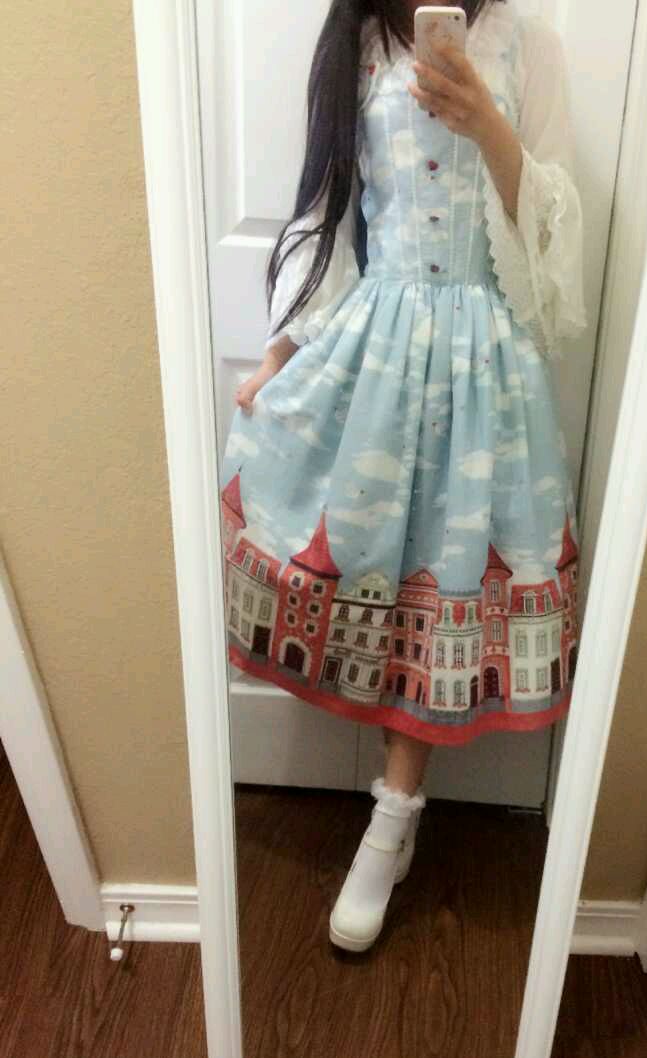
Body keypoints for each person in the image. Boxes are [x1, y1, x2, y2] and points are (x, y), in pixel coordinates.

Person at [218, 0, 587, 952]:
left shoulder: (528, 43)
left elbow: (557, 237)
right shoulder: (356, 37)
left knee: (445, 579)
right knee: (378, 573)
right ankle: (393, 812)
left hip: (483, 362)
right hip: (374, 352)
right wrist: (279, 352)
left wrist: (488, 123)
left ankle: (393, 818)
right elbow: (328, 211)